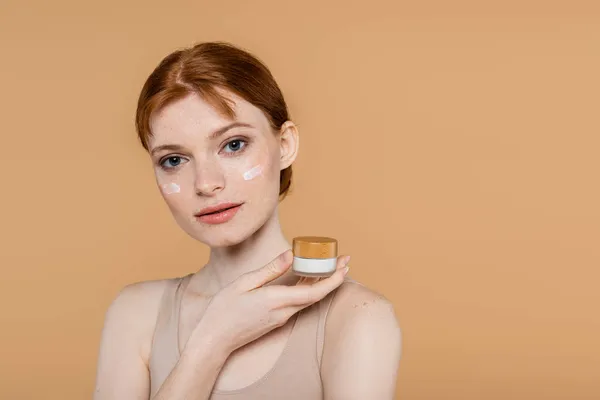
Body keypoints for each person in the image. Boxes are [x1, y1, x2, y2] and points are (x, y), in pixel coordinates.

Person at [93, 41, 401, 400]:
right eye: (174, 160)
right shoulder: (136, 314)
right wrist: (212, 342)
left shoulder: (356, 317)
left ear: (284, 144)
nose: (206, 183)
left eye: (234, 144)